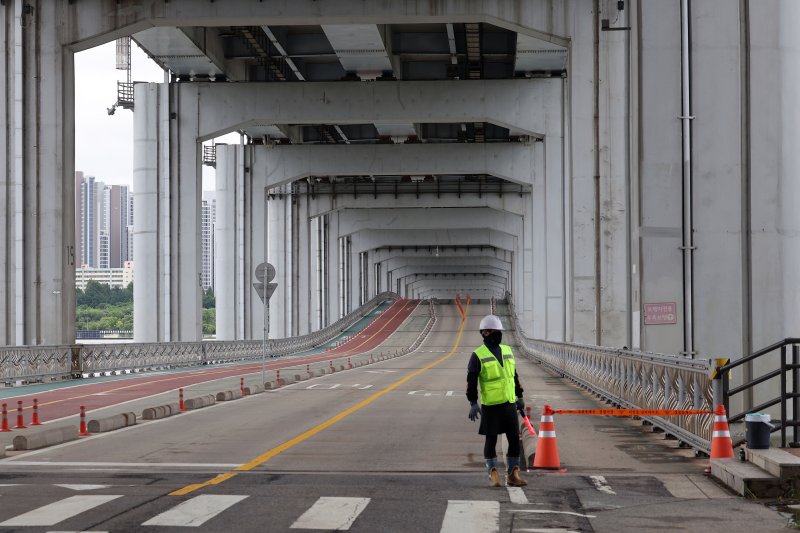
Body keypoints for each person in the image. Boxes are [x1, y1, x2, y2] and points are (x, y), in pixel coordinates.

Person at [466, 314, 527, 487]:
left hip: (509, 404)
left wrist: (520, 396)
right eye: (494, 332)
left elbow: (513, 376)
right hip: (491, 406)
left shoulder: (507, 350)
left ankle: (513, 474)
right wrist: (473, 402)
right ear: (485, 333)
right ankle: (492, 473)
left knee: (514, 439)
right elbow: (471, 380)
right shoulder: (478, 355)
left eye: (499, 331)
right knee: (491, 440)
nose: (498, 335)